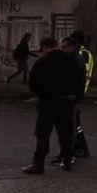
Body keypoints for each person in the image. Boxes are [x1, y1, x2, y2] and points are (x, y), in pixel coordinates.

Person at [22, 36, 85, 175]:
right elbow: (81, 80)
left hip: (48, 102)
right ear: (56, 45)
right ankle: (67, 161)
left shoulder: (42, 62)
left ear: (44, 47)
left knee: (43, 133)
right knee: (66, 132)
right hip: (68, 101)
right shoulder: (72, 61)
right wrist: (76, 97)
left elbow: (33, 83)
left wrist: (41, 93)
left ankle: (38, 164)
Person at [69, 30, 95, 159]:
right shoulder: (82, 52)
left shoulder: (82, 54)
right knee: (74, 122)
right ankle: (76, 147)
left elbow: (79, 73)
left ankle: (81, 148)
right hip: (77, 91)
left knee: (74, 122)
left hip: (78, 92)